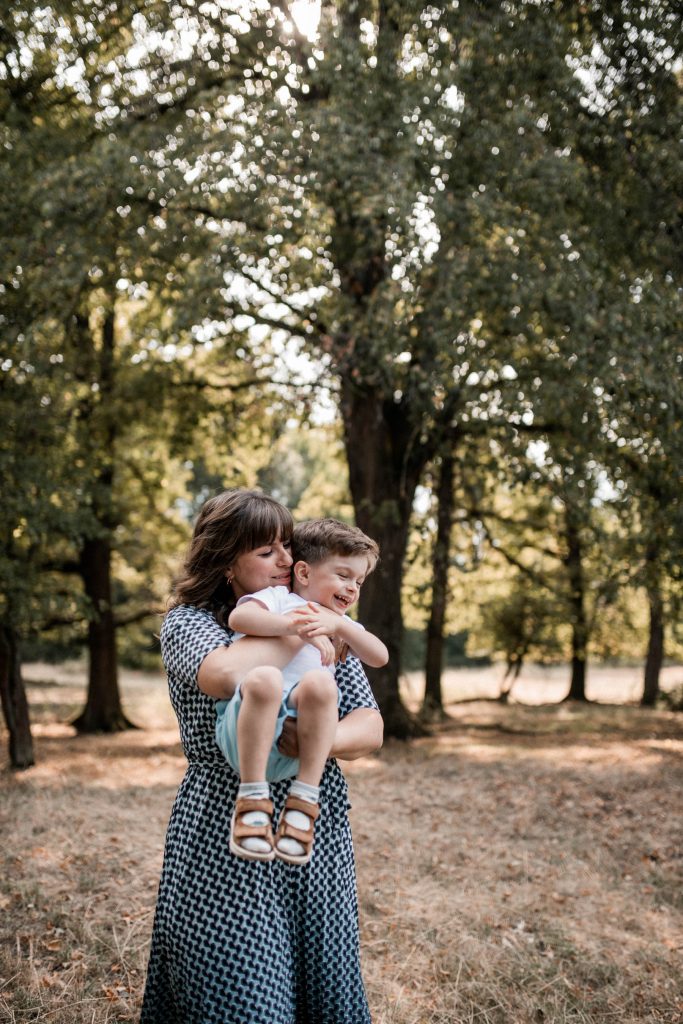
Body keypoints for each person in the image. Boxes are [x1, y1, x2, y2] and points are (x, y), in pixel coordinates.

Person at [140, 489, 383, 1024]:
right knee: (241, 993)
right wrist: (302, 628)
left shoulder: (322, 618)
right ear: (226, 558)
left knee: (325, 984)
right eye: (266, 550)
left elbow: (369, 725)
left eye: (284, 547)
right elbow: (226, 675)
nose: (284, 559)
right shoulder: (190, 623)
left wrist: (317, 742)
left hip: (311, 823)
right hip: (225, 823)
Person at [215, 518, 389, 865]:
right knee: (266, 678)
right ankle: (251, 799)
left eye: (359, 581)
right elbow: (240, 619)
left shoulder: (339, 624)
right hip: (249, 722)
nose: (352, 588)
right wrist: (296, 626)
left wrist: (340, 625)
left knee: (322, 684)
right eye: (343, 575)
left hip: (303, 728)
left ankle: (304, 801)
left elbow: (379, 656)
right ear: (305, 573)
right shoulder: (280, 599)